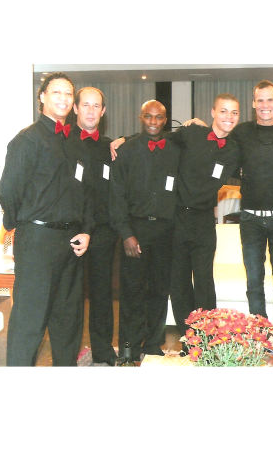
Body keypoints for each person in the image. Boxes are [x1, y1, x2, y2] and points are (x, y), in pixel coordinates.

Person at [183, 81, 273, 335]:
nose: (265, 105)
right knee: (254, 280)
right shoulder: (241, 133)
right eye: (260, 100)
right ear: (253, 103)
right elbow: (218, 141)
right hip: (250, 219)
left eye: (270, 99)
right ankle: (259, 331)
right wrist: (199, 127)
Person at [0, 72, 93, 366]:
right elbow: (7, 191)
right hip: (37, 242)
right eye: (56, 92)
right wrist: (25, 225)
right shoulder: (27, 139)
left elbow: (85, 193)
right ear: (42, 97)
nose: (63, 98)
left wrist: (86, 230)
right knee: (30, 321)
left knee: (68, 323)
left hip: (71, 243)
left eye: (68, 94)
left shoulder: (75, 142)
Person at [109, 100, 180, 362]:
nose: (153, 122)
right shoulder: (127, 150)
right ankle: (128, 346)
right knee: (132, 292)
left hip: (165, 231)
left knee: (160, 291)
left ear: (165, 120)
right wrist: (126, 233)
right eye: (148, 116)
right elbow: (116, 196)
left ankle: (152, 343)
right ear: (141, 118)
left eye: (158, 117)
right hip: (135, 230)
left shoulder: (175, 150)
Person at [169, 94, 240, 351]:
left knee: (204, 282)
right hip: (177, 217)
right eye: (223, 111)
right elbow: (157, 140)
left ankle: (208, 340)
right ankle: (187, 339)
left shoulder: (234, 149)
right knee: (178, 282)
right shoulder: (192, 133)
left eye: (234, 112)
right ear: (213, 112)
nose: (228, 117)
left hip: (204, 220)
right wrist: (123, 139)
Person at [72, 87, 119, 366]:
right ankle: (69, 351)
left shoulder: (110, 147)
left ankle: (102, 350)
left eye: (96, 106)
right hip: (71, 230)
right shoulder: (64, 143)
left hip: (102, 231)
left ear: (103, 111)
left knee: (102, 294)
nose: (91, 111)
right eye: (86, 105)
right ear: (76, 108)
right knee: (71, 296)